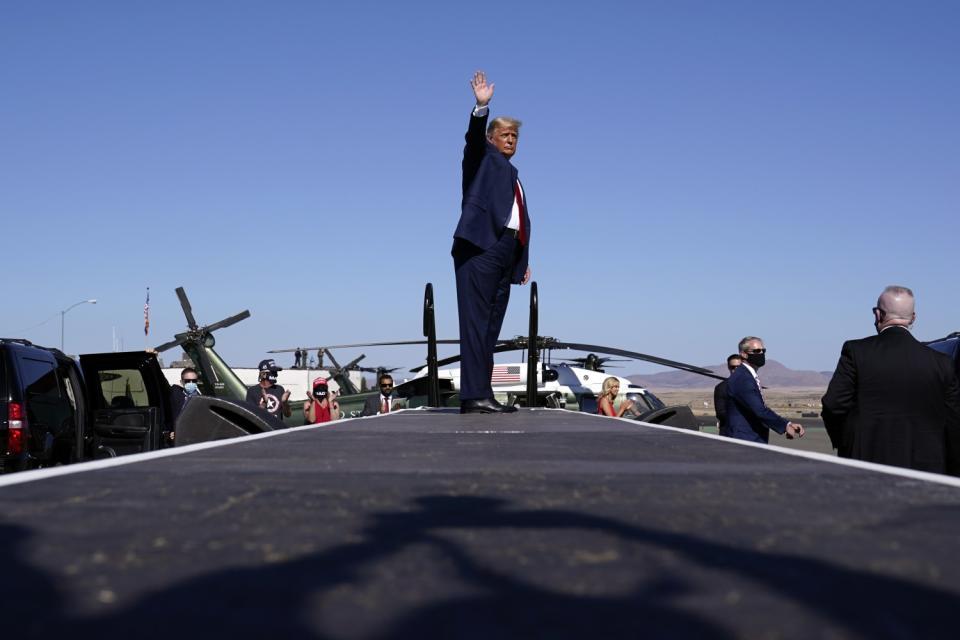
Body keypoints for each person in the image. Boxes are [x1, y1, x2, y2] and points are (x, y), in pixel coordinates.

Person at [453, 70, 531, 415]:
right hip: (481, 247)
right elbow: (472, 141)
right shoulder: (482, 160)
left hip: (504, 251)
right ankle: (473, 395)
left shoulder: (513, 176)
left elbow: (516, 221)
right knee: (475, 323)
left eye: (515, 135)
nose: (511, 140)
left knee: (491, 327)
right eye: (504, 134)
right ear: (491, 139)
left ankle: (482, 394)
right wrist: (481, 108)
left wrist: (520, 258)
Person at [821, 286, 960, 473]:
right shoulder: (942, 363)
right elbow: (954, 422)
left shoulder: (856, 352)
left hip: (866, 466)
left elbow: (833, 405)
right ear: (913, 318)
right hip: (928, 471)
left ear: (878, 314)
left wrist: (845, 443)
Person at [725, 337, 804, 442]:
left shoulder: (748, 376)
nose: (761, 353)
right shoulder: (742, 378)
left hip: (751, 438)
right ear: (743, 354)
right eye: (757, 351)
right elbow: (759, 410)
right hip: (746, 440)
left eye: (763, 350)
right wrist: (785, 425)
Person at [713, 354, 742, 432]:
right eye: (733, 367)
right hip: (729, 431)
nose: (735, 369)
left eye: (738, 367)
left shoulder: (752, 385)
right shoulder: (721, 388)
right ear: (729, 367)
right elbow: (720, 413)